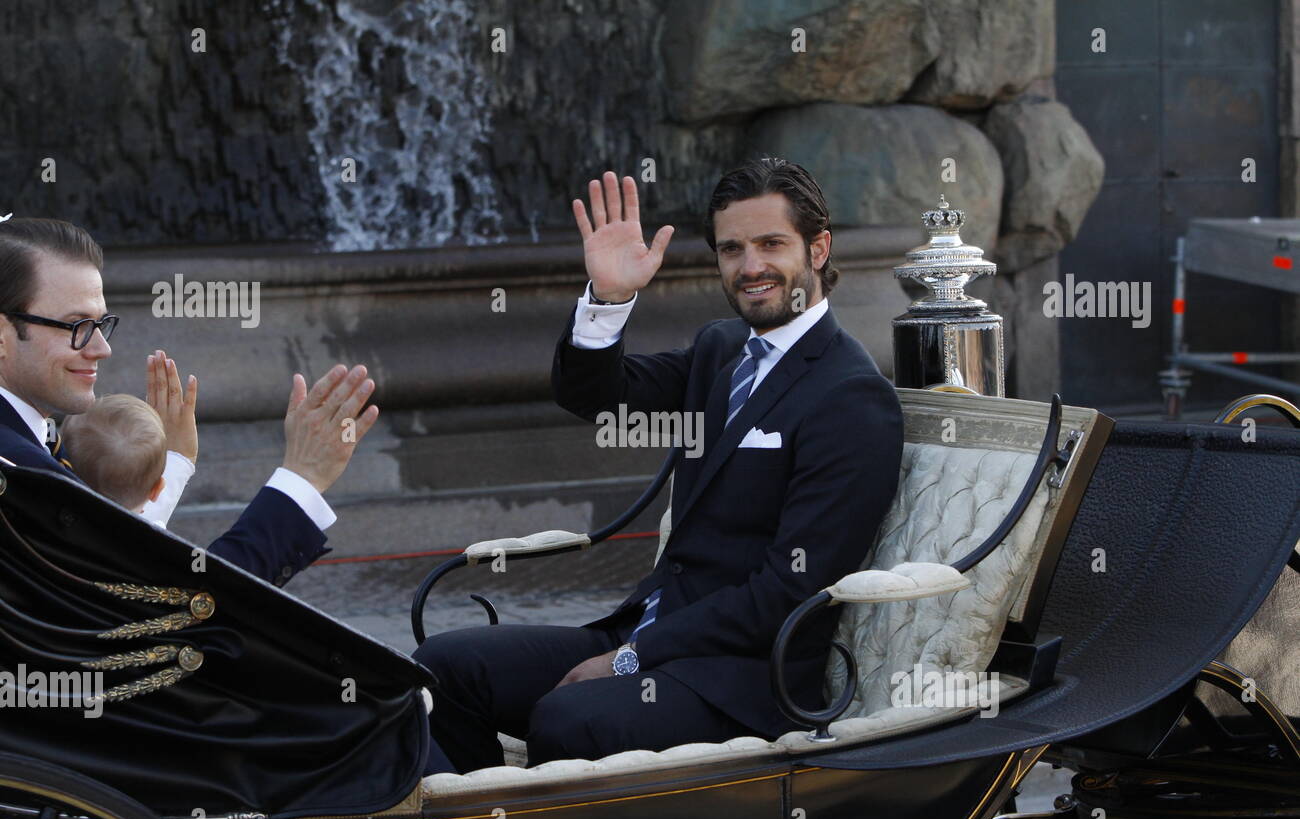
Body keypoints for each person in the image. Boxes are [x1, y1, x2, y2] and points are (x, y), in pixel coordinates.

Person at [415, 158, 904, 771]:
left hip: (744, 679)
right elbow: (596, 397)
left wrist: (631, 659)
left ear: (818, 247)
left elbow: (791, 589)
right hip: (646, 635)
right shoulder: (721, 349)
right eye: (731, 249)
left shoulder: (851, 396)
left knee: (567, 717)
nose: (750, 267)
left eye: (771, 244)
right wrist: (609, 299)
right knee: (445, 669)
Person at [0, 217, 377, 587]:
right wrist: (302, 477)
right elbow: (185, 609)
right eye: (77, 326)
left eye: (101, 324)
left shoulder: (24, 450)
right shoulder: (27, 475)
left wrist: (173, 468)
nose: (102, 349)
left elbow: (121, 567)